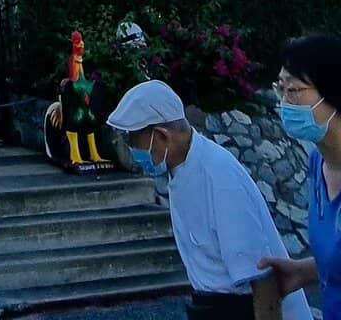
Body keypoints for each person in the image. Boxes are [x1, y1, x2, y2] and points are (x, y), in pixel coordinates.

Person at [108, 79, 311, 319]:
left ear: (162, 136)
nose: (133, 149)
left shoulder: (218, 175)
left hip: (242, 309)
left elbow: (262, 276)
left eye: (134, 141)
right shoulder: (181, 169)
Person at [259, 34, 341, 320]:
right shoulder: (318, 163)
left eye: (292, 89)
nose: (283, 102)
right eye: (279, 87)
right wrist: (304, 271)